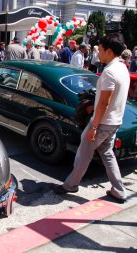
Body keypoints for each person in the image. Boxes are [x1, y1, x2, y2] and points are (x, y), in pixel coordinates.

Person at [53, 33, 130, 204]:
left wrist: (94, 127)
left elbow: (104, 102)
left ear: (109, 51)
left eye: (101, 50)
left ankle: (70, 185)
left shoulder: (110, 72)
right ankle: (119, 190)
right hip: (114, 121)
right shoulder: (123, 67)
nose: (98, 53)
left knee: (83, 154)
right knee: (107, 154)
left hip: (102, 122)